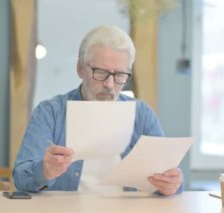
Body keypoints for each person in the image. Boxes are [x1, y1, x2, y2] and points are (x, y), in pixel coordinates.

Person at [13, 25, 183, 196]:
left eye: (119, 75)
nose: (109, 84)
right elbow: (20, 178)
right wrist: (44, 171)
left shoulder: (142, 114)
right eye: (100, 72)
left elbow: (172, 177)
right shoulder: (49, 113)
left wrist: (172, 183)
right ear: (80, 69)